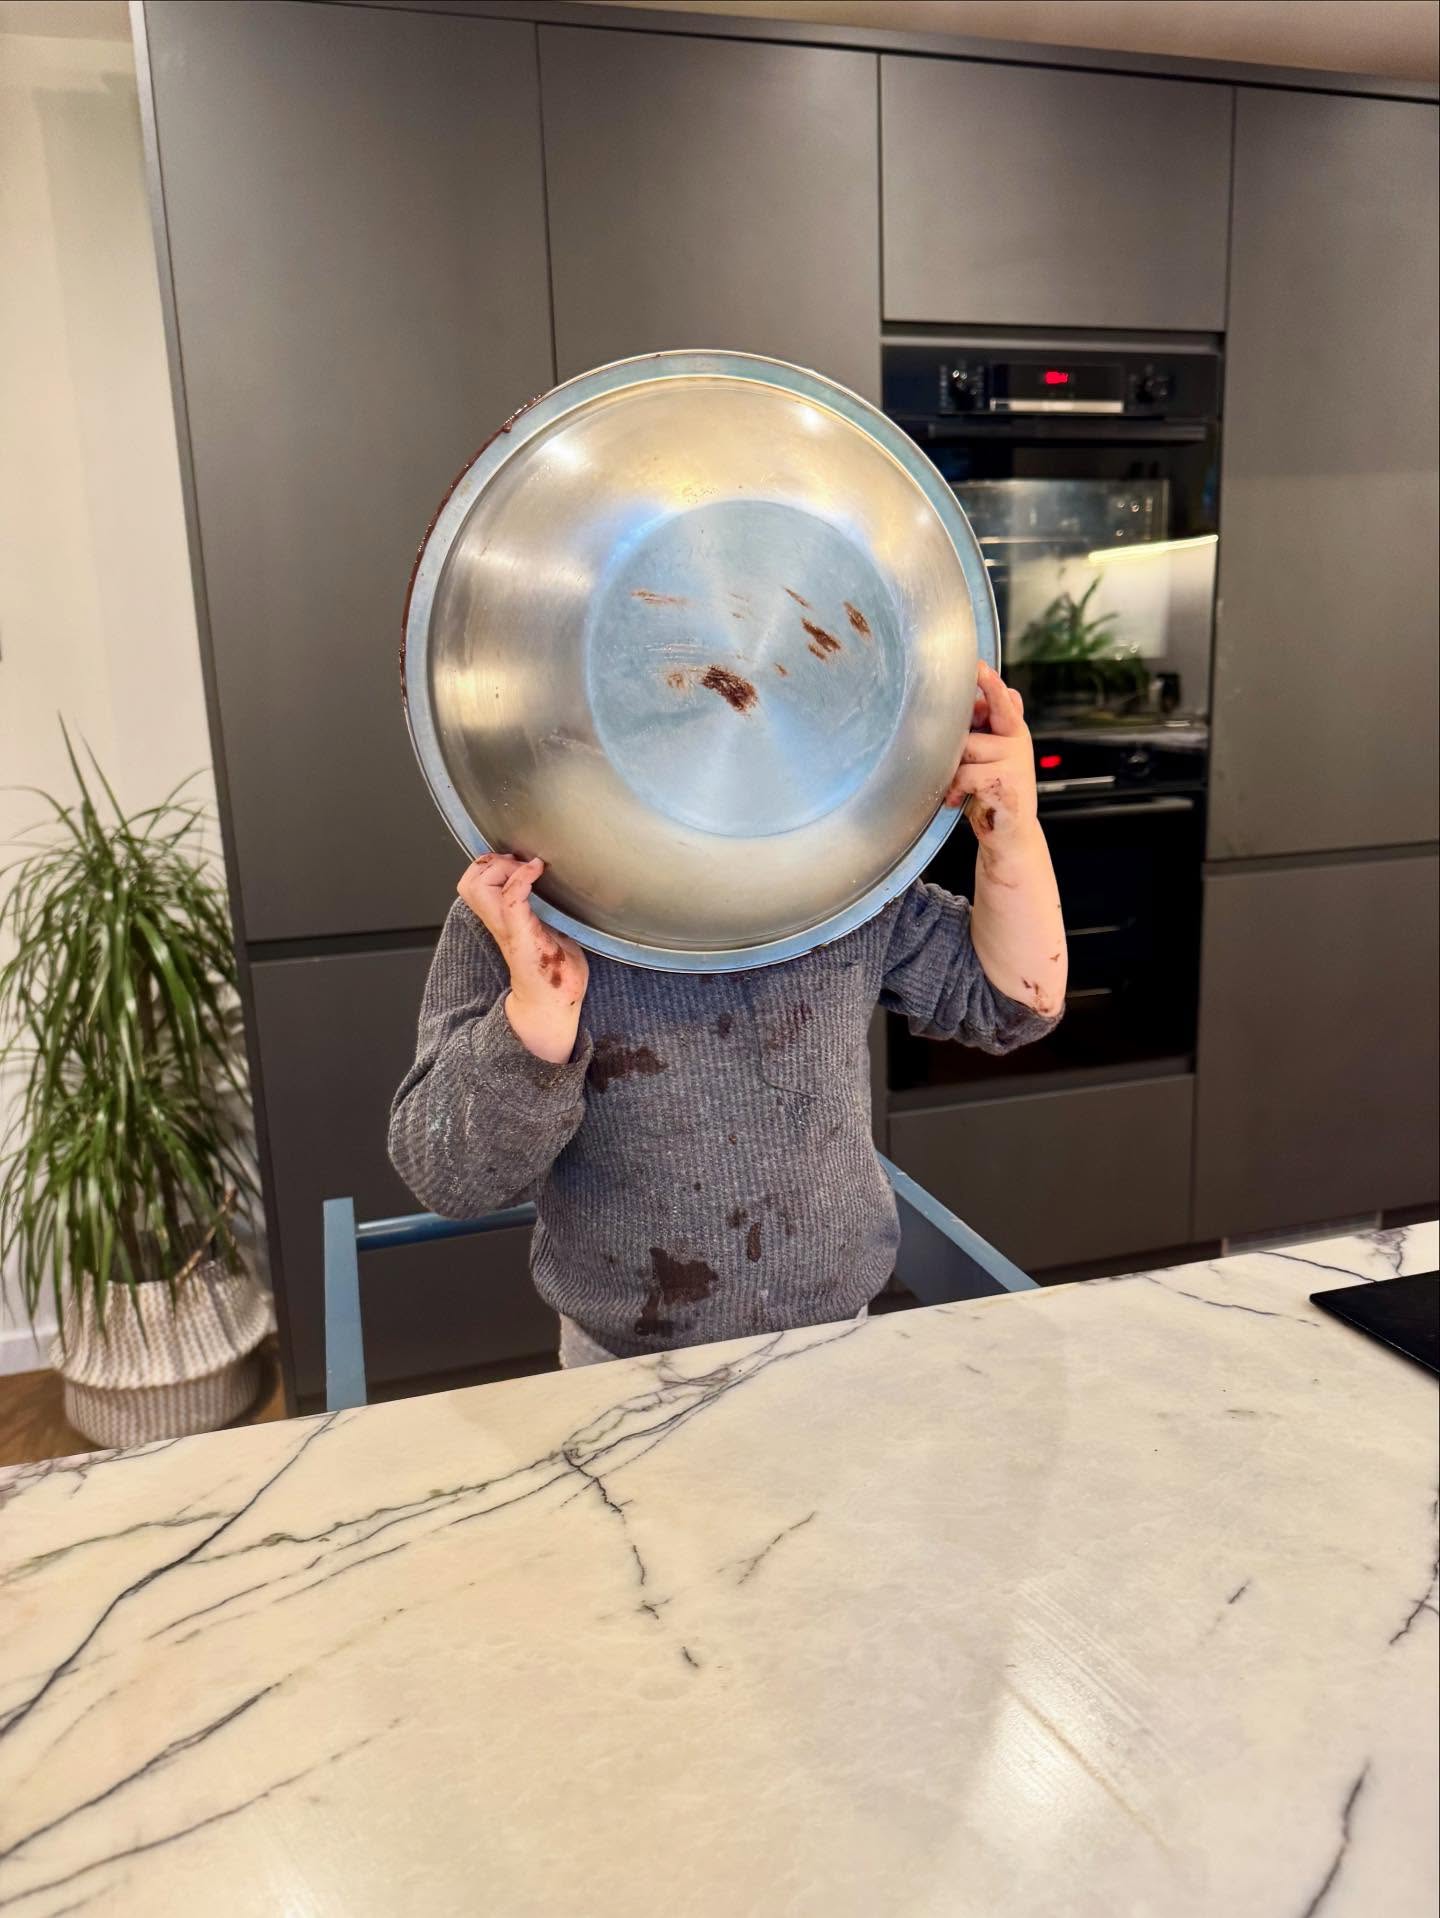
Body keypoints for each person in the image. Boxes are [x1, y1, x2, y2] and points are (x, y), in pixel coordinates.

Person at [389, 660, 1066, 1365]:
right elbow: (448, 1175)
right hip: (625, 1362)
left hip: (836, 1333)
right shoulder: (522, 917)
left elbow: (1009, 1006)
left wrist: (1012, 834)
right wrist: (539, 1011)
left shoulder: (841, 880)